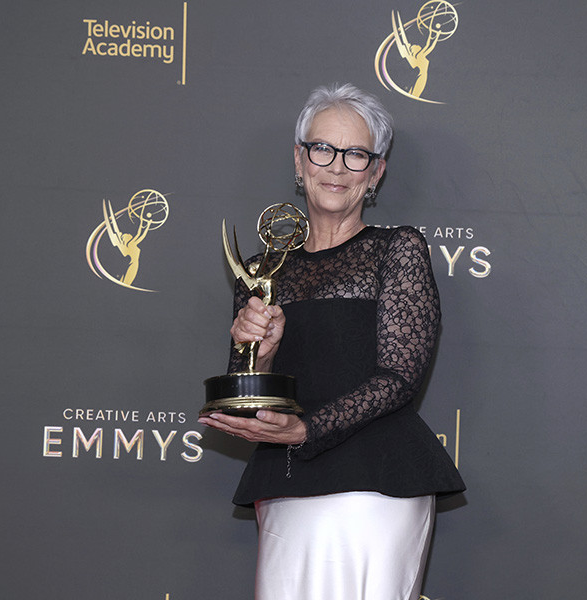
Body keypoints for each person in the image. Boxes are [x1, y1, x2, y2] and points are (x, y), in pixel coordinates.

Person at [199, 83, 465, 600]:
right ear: (299, 161)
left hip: (378, 480)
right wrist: (261, 350)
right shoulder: (259, 271)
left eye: (356, 154)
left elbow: (399, 379)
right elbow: (245, 395)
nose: (337, 167)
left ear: (376, 172)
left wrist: (306, 429)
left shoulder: (397, 249)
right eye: (323, 149)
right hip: (287, 479)